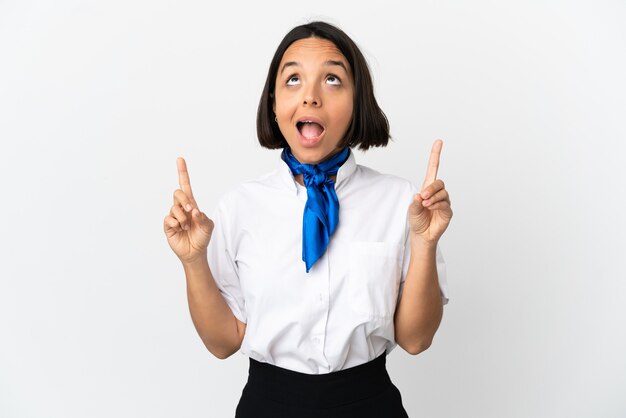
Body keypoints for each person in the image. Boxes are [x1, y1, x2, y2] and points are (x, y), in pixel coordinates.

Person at [163, 20, 453, 418]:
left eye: (332, 80)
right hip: (269, 405)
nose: (311, 97)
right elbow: (222, 342)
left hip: (369, 405)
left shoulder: (402, 202)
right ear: (273, 103)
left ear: (357, 102)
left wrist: (425, 242)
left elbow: (416, 339)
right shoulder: (240, 206)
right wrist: (193, 260)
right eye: (293, 79)